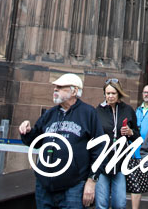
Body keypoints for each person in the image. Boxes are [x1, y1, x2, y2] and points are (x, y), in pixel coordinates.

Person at [19, 73, 104, 209]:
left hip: (73, 186)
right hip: (44, 185)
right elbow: (35, 142)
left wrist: (91, 181)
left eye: (60, 87)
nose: (55, 90)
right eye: (55, 87)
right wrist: (27, 132)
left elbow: (99, 149)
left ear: (74, 91)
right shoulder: (50, 114)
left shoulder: (88, 113)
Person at [95, 79, 139, 209]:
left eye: (113, 93)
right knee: (101, 203)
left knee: (119, 204)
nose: (110, 96)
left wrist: (131, 132)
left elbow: (137, 136)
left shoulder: (128, 110)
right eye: (107, 93)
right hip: (103, 161)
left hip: (120, 162)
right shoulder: (98, 111)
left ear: (119, 94)